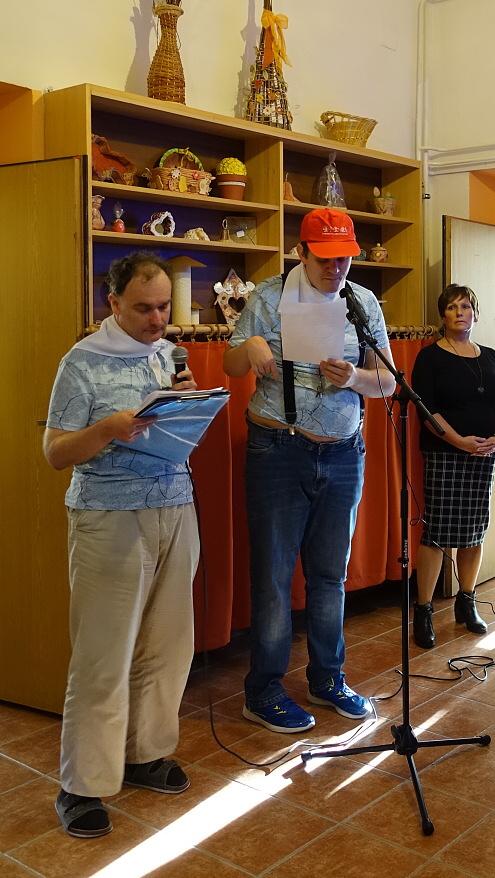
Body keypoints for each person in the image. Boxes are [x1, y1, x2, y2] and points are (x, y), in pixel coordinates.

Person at [44, 251, 200, 839]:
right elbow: (55, 452)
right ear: (112, 303)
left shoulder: (167, 354)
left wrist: (190, 404)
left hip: (175, 508)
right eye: (143, 308)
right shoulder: (81, 362)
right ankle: (82, 785)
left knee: (168, 646)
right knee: (103, 656)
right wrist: (108, 428)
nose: (158, 319)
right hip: (109, 517)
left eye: (163, 307)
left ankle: (145, 754)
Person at [224, 207, 396, 733]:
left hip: (344, 452)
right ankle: (263, 690)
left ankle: (328, 678)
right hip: (278, 447)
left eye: (344, 258)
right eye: (325, 259)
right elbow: (231, 366)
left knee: (329, 575)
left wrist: (354, 379)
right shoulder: (268, 297)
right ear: (301, 252)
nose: (336, 268)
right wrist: (250, 345)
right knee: (274, 576)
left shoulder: (361, 301)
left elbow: (387, 383)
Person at [410, 284, 495, 649]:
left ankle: (466, 602)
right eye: (452, 307)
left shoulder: (491, 356)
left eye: (466, 306)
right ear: (443, 317)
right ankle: (423, 610)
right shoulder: (429, 357)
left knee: (475, 529)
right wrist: (459, 441)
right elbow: (427, 411)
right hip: (445, 453)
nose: (460, 313)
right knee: (437, 532)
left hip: (483, 454)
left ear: (475, 314)